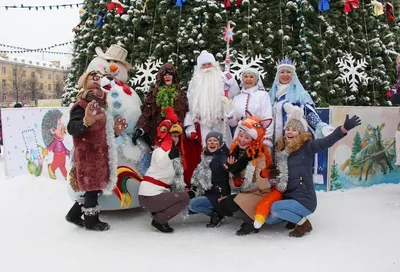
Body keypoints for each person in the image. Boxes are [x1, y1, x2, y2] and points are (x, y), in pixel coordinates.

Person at [264, 104, 361, 237]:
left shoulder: (307, 147)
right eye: (288, 129)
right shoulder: (280, 151)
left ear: (300, 133)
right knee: (270, 219)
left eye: (294, 130)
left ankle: (303, 223)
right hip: (288, 196)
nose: (290, 132)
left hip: (305, 199)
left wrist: (343, 129)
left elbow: (326, 142)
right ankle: (293, 217)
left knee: (276, 208)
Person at [65, 70, 127, 231]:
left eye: (100, 80)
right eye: (94, 79)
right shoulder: (81, 106)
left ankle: (73, 214)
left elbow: (101, 133)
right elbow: (72, 129)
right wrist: (85, 122)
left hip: (100, 156)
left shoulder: (102, 108)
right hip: (88, 156)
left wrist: (115, 131)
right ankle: (91, 221)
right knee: (93, 188)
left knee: (96, 188)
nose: (98, 83)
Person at [215, 113, 278, 236]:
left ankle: (251, 222)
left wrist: (263, 175)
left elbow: (263, 186)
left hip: (258, 193)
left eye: (247, 137)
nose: (242, 140)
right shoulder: (236, 153)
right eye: (241, 135)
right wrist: (235, 177)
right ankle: (247, 215)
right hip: (244, 192)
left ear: (253, 141)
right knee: (221, 206)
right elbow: (234, 186)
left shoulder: (259, 156)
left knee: (230, 203)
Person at [138, 107, 189, 233]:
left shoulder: (175, 155)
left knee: (183, 195)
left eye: (177, 136)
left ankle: (157, 213)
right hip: (149, 196)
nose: (175, 138)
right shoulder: (159, 151)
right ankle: (158, 221)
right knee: (184, 198)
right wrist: (170, 155)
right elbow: (161, 162)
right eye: (172, 135)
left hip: (157, 195)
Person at [184, 50, 239, 148]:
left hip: (221, 123)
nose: (206, 67)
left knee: (223, 149)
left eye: (209, 64)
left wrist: (232, 82)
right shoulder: (194, 83)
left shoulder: (222, 79)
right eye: (203, 65)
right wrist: (189, 128)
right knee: (206, 150)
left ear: (214, 65)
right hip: (203, 123)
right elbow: (190, 106)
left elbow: (234, 94)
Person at [269, 59, 334, 142]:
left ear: (293, 75)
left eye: (288, 72)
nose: (285, 75)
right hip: (274, 141)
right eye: (282, 72)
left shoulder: (300, 94)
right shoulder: (271, 95)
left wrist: (321, 126)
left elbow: (309, 113)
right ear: (278, 75)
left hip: (293, 140)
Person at [132, 63, 187, 147]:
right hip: (157, 135)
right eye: (165, 74)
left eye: (170, 74)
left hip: (176, 135)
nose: (167, 76)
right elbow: (147, 114)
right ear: (161, 77)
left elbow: (187, 115)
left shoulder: (181, 94)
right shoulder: (154, 94)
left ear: (173, 76)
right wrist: (140, 129)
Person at [187, 131, 230, 228]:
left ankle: (217, 214)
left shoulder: (222, 156)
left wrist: (227, 166)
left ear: (220, 144)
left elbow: (225, 164)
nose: (212, 143)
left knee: (193, 205)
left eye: (215, 140)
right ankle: (214, 210)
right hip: (206, 191)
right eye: (209, 140)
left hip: (219, 193)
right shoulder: (205, 156)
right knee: (187, 207)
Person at [228, 68, 274, 149]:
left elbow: (267, 118)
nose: (248, 79)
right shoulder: (236, 97)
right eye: (245, 76)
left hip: (258, 136)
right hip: (240, 138)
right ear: (242, 79)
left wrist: (266, 138)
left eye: (251, 77)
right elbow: (233, 123)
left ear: (256, 79)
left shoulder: (263, 95)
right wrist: (230, 117)